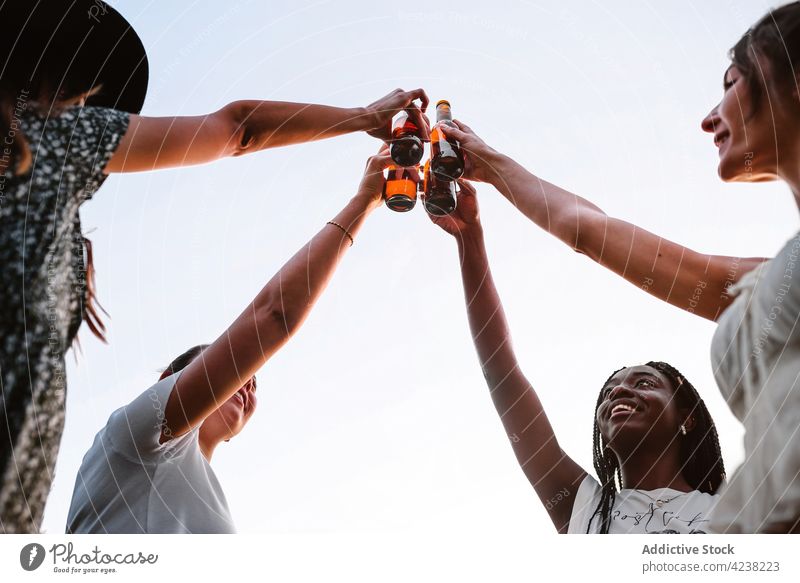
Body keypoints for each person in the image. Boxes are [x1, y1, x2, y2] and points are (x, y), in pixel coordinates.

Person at [0, 0, 429, 533]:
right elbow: (237, 131)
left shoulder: (55, 163)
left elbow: (239, 129)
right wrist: (364, 129)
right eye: (73, 91)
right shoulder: (59, 139)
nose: (80, 105)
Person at [434, 3, 800, 534]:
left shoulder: (729, 514)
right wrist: (473, 225)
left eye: (731, 82)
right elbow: (585, 232)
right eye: (611, 391)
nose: (709, 116)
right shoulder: (592, 514)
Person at [65, 149, 392, 533]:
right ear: (170, 380)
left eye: (251, 381)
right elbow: (273, 316)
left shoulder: (209, 498)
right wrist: (364, 201)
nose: (248, 383)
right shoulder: (138, 436)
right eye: (240, 372)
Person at [425, 181, 725, 534]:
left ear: (686, 418)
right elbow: (501, 374)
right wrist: (469, 238)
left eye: (644, 382)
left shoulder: (742, 509)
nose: (619, 392)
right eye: (609, 391)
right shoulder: (583, 509)